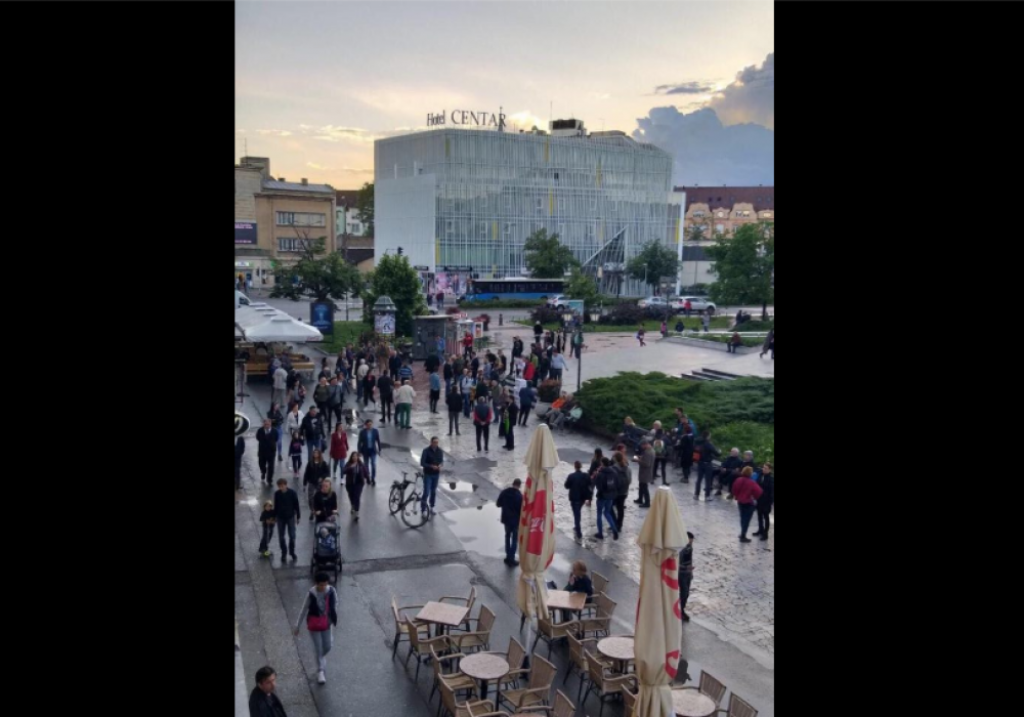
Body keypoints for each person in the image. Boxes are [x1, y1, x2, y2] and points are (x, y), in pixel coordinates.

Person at [294, 571, 339, 685]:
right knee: (318, 648)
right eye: (321, 585)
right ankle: (320, 671)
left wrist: (333, 617)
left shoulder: (331, 591)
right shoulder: (311, 593)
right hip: (314, 624)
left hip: (326, 623)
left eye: (325, 584)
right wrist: (297, 626)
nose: (323, 587)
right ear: (316, 583)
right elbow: (304, 609)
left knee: (328, 646)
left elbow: (335, 604)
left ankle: (320, 659)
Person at [732, 467, 763, 542]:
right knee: (747, 520)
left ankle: (742, 533)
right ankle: (743, 535)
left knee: (742, 518)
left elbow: (734, 489)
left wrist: (737, 496)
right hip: (749, 503)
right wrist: (754, 497)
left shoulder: (738, 480)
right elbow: (759, 491)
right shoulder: (752, 482)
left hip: (740, 501)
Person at [496, 479, 523, 566]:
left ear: (513, 484)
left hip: (506, 519)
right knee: (514, 540)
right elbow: (521, 511)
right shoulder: (519, 496)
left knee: (507, 537)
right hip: (515, 521)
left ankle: (508, 557)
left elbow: (498, 504)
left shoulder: (504, 492)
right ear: (519, 485)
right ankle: (511, 559)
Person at [593, 458, 620, 541]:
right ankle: (614, 529)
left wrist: (596, 475)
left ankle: (600, 533)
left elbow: (598, 486)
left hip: (602, 496)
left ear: (602, 464)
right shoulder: (614, 472)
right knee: (607, 512)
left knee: (599, 514)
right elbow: (617, 483)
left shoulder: (601, 474)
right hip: (610, 496)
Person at [565, 461, 593, 540]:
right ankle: (576, 526)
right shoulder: (586, 475)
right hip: (582, 498)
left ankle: (579, 532)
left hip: (575, 498)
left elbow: (566, 486)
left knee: (576, 515)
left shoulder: (571, 476)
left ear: (575, 466)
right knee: (577, 513)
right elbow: (590, 484)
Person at [274, 478, 300, 562]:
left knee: (292, 535)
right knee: (281, 536)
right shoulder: (277, 494)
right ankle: (284, 552)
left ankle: (292, 552)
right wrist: (274, 516)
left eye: (282, 486)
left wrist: (298, 516)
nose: (281, 488)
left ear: (286, 485)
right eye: (280, 486)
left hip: (290, 517)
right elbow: (276, 505)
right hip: (280, 517)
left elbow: (296, 505)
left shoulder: (292, 493)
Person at [420, 436, 444, 514]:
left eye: (437, 442)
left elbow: (441, 461)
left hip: (436, 474)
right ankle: (423, 508)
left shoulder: (440, 451)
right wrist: (431, 466)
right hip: (428, 474)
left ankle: (432, 507)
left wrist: (440, 465)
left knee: (433, 492)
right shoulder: (426, 451)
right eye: (434, 442)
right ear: (431, 442)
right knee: (426, 492)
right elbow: (422, 463)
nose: (435, 444)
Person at [303, 449, 330, 520]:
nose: (315, 454)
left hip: (319, 483)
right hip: (311, 482)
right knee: (310, 498)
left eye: (317, 453)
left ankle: (319, 511)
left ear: (319, 454)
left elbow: (327, 472)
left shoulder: (323, 463)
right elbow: (306, 473)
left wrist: (322, 477)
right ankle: (312, 510)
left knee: (319, 497)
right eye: (314, 453)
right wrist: (304, 483)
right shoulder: (310, 463)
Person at [693, 430, 720, 500]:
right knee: (708, 480)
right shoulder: (708, 444)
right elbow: (717, 453)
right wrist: (719, 451)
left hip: (700, 463)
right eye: (710, 436)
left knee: (699, 480)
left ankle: (696, 494)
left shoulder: (698, 442)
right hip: (707, 464)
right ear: (707, 436)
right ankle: (707, 496)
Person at [752, 462, 774, 541]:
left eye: (766, 468)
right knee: (759, 516)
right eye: (763, 468)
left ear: (770, 470)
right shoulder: (760, 475)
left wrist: (770, 502)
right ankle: (760, 530)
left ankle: (765, 533)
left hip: (766, 501)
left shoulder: (771, 479)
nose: (764, 469)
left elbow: (772, 492)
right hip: (759, 499)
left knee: (766, 517)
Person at [344, 451, 368, 519]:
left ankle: (357, 512)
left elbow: (365, 472)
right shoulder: (348, 463)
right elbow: (344, 471)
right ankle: (352, 505)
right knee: (351, 496)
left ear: (358, 457)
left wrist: (367, 479)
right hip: (350, 483)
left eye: (356, 456)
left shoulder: (361, 464)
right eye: (353, 456)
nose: (354, 457)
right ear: (351, 457)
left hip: (359, 483)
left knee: (357, 497)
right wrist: (350, 467)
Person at [357, 419, 381, 485]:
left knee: (373, 464)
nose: (369, 426)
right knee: (366, 465)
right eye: (368, 425)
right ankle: (367, 477)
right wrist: (359, 451)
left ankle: (373, 478)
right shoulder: (362, 432)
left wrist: (379, 449)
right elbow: (359, 442)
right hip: (365, 451)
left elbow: (378, 440)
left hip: (373, 450)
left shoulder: (375, 431)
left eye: (370, 424)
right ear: (366, 425)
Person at [256, 419, 278, 486]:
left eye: (268, 424)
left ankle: (269, 480)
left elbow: (276, 438)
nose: (267, 426)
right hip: (262, 451)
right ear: (263, 424)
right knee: (261, 464)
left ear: (270, 424)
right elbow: (258, 438)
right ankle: (263, 471)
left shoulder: (274, 431)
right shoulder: (260, 430)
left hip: (271, 451)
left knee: (271, 467)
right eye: (265, 424)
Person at [633, 439, 655, 508]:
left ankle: (647, 502)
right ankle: (640, 499)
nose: (641, 447)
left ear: (645, 444)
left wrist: (638, 460)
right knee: (641, 486)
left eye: (642, 446)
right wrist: (641, 458)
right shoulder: (651, 450)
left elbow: (647, 464)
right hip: (646, 472)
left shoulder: (647, 452)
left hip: (645, 473)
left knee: (644, 488)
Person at [678, 532, 695, 622]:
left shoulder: (690, 547)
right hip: (681, 574)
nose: (691, 542)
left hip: (687, 574)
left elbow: (690, 560)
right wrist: (686, 568)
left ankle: (681, 609)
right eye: (690, 541)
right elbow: (677, 564)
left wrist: (690, 572)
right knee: (684, 593)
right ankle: (680, 611)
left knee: (686, 593)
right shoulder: (682, 549)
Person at [613, 452, 631, 531]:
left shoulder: (614, 468)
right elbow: (629, 480)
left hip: (616, 492)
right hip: (624, 491)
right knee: (620, 509)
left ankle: (614, 523)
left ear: (615, 459)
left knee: (610, 508)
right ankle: (619, 525)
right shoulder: (628, 468)